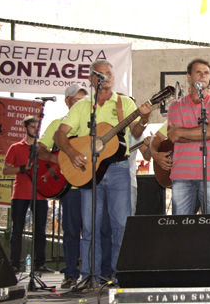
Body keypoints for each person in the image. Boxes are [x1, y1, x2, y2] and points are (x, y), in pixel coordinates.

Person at [54, 59, 152, 281]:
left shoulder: (124, 103)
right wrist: (72, 153)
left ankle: (119, 275)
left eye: (110, 73)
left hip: (118, 170)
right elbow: (60, 135)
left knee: (121, 225)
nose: (107, 77)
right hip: (89, 172)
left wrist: (144, 118)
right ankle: (90, 276)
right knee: (89, 228)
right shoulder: (82, 106)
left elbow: (136, 132)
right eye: (101, 74)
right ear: (92, 79)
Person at [38, 84, 89, 288]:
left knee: (93, 231)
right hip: (70, 188)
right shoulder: (57, 124)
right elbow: (39, 150)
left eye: (84, 101)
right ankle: (70, 273)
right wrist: (57, 159)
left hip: (90, 185)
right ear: (67, 101)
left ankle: (91, 272)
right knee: (70, 231)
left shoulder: (89, 124)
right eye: (77, 100)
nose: (80, 105)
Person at [167, 59, 210, 214]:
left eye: (206, 72)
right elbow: (173, 136)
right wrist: (203, 134)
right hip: (181, 174)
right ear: (189, 76)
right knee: (181, 229)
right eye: (198, 72)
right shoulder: (175, 105)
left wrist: (181, 131)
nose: (203, 76)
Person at [3, 116, 53, 274]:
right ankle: (14, 264)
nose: (35, 130)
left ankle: (40, 264)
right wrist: (23, 168)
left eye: (37, 127)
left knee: (40, 231)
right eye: (32, 127)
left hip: (40, 195)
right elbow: (5, 170)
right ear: (26, 128)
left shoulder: (43, 149)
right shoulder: (16, 147)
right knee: (16, 230)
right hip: (20, 194)